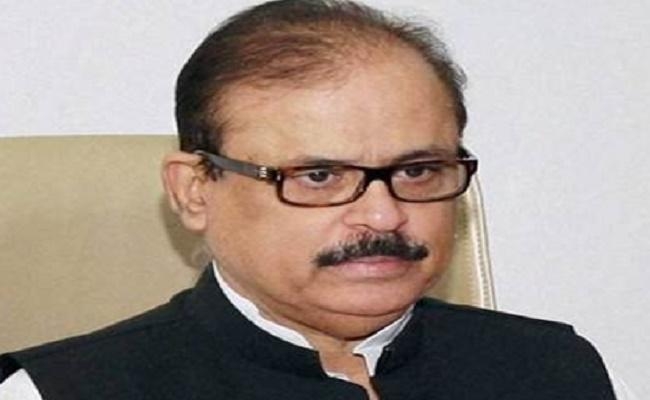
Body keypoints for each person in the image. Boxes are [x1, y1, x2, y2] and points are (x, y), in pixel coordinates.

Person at [0, 1, 625, 399]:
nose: (383, 214)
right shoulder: (60, 392)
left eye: (417, 170)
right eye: (320, 176)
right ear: (195, 191)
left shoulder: (557, 371)